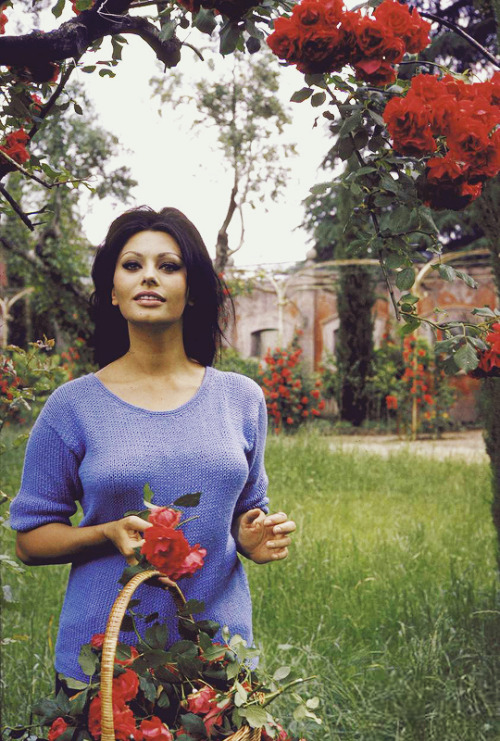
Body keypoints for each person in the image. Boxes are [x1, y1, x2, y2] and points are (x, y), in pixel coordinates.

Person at [9, 206, 296, 686]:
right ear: (113, 293)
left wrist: (251, 539)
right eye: (132, 265)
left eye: (168, 265)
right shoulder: (72, 407)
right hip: (103, 662)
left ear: (193, 289)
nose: (149, 277)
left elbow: (246, 515)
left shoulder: (241, 399)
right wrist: (104, 533)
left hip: (216, 655)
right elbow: (29, 542)